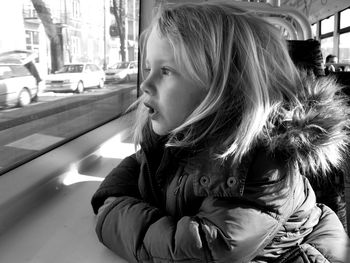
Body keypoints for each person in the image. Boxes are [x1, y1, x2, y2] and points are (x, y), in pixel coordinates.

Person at [91, 2, 350, 262]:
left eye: (166, 71)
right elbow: (142, 164)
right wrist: (114, 195)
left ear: (224, 87)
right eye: (149, 68)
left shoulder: (261, 166)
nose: (145, 85)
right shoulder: (183, 134)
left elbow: (196, 251)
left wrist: (112, 211)